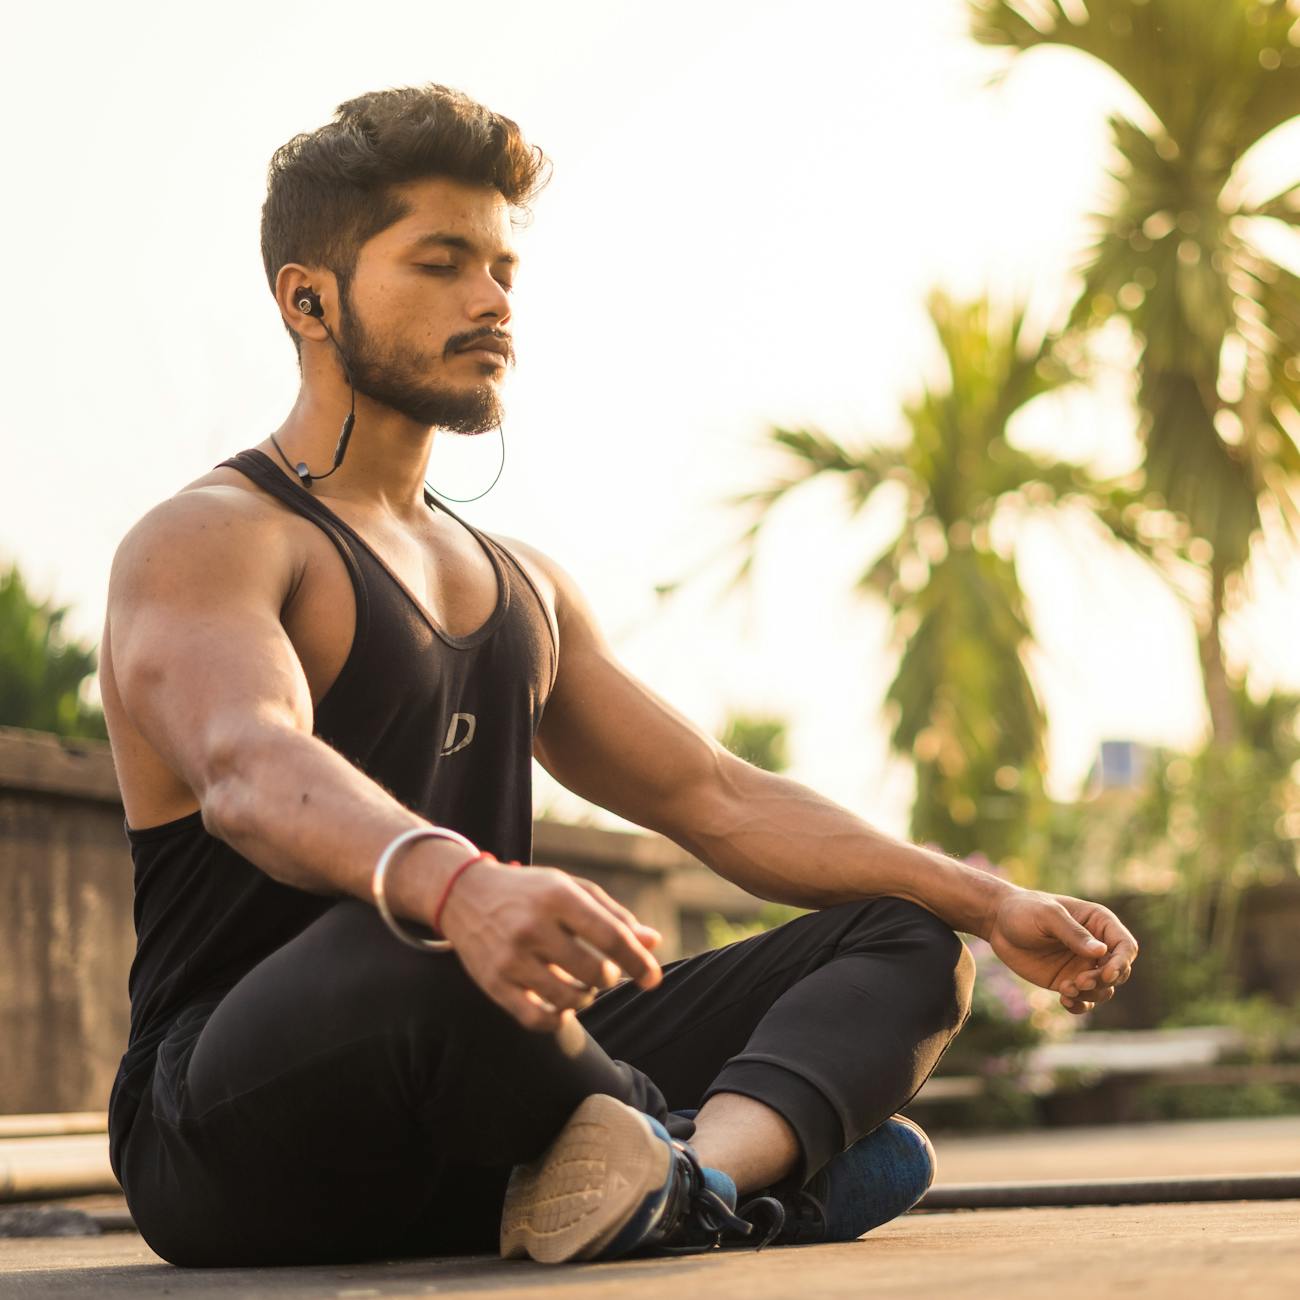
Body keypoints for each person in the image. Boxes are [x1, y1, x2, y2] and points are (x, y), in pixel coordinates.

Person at [101, 84, 1138, 1268]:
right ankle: (741, 1159)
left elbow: (715, 795)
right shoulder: (213, 538)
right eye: (441, 263)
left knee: (906, 936)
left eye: (501, 268)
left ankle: (687, 1176)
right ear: (308, 298)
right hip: (232, 1134)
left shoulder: (521, 585)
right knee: (409, 939)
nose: (490, 299)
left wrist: (983, 900)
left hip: (493, 1092)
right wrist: (457, 887)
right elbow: (247, 763)